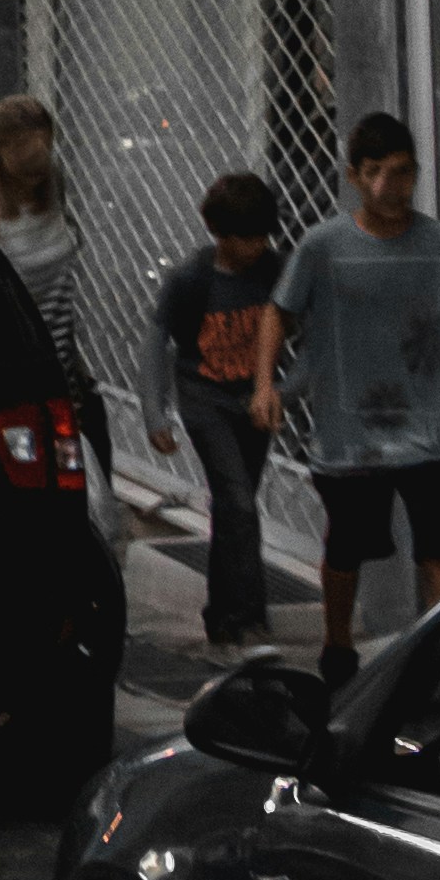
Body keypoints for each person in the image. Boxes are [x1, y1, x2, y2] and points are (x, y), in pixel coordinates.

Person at [253, 107, 440, 667]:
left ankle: (437, 655)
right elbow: (279, 312)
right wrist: (263, 386)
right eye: (375, 172)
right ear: (353, 176)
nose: (389, 187)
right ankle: (338, 645)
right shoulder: (324, 246)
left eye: (402, 172)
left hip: (433, 434)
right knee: (345, 548)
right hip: (351, 440)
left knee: (438, 548)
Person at [145, 168, 286, 648]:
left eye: (261, 238)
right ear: (219, 234)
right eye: (245, 239)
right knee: (239, 502)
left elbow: (306, 327)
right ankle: (249, 616)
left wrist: (286, 389)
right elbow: (158, 341)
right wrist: (155, 412)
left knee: (234, 507)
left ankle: (223, 612)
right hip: (205, 397)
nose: (255, 249)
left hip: (254, 400)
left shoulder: (273, 270)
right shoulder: (191, 278)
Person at [0, 97, 95, 433]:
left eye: (41, 169)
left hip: (63, 353)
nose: (35, 180)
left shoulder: (52, 181)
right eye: (26, 171)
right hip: (22, 369)